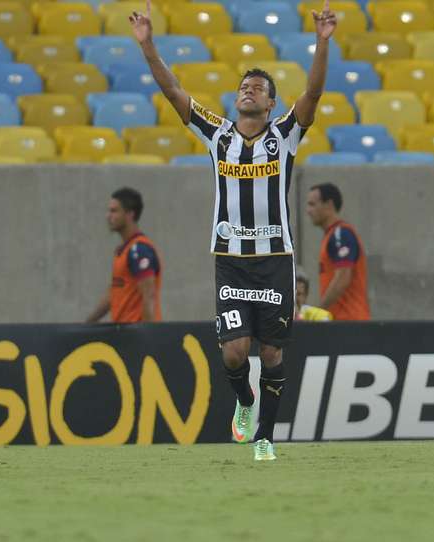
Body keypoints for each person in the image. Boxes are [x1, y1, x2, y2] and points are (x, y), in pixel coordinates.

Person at [130, 0, 337, 460]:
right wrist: (148, 47)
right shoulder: (217, 134)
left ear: (271, 102)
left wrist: (322, 44)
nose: (249, 91)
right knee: (233, 354)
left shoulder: (285, 134)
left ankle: (265, 437)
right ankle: (245, 402)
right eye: (244, 86)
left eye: (258, 88)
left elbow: (314, 93)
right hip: (231, 261)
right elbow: (173, 91)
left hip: (275, 260)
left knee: (274, 356)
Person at [86, 187, 162, 324]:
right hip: (123, 334)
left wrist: (151, 337)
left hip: (136, 335)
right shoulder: (124, 251)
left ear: (130, 214)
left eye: (114, 211)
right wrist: (87, 323)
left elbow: (149, 295)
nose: (108, 216)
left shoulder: (139, 250)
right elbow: (113, 295)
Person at [306, 182, 370, 321]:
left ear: (328, 205)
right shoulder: (332, 235)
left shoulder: (340, 234)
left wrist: (319, 310)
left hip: (350, 322)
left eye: (312, 204)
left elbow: (343, 276)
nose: (308, 210)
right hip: (339, 322)